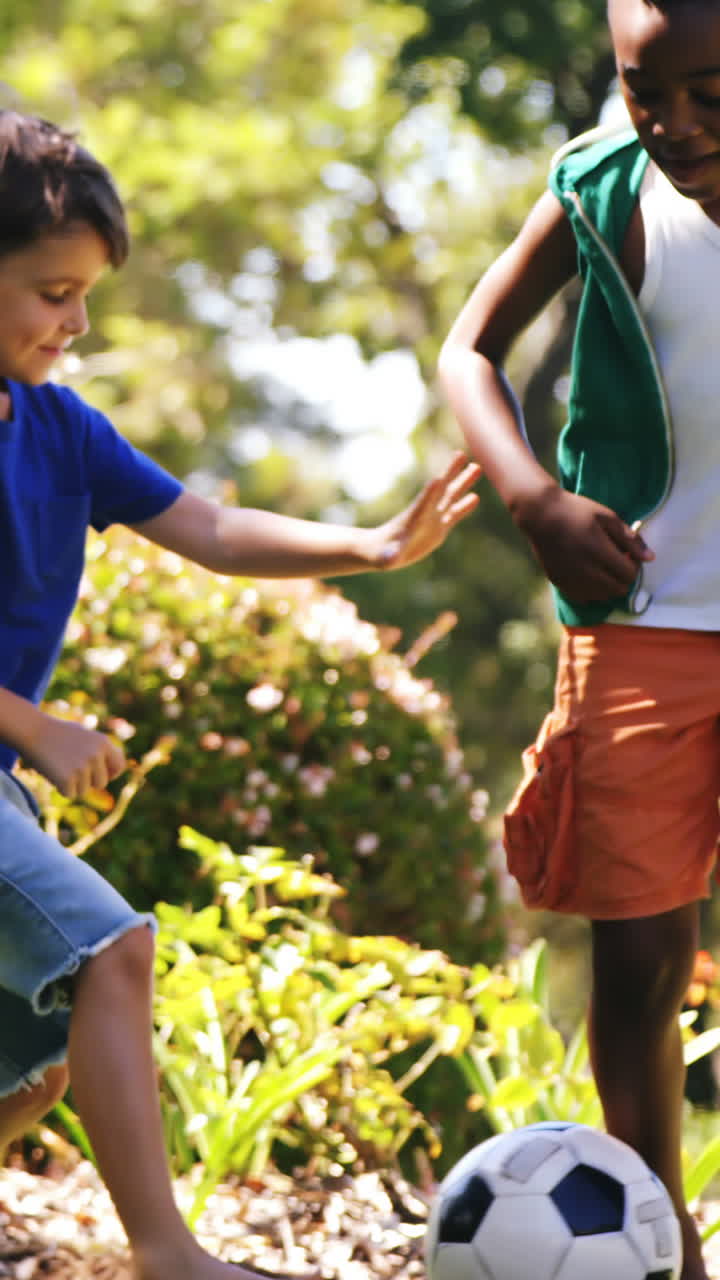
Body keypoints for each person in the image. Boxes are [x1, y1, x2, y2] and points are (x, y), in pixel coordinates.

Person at [0, 109, 481, 1280]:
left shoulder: (60, 431)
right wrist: (33, 722)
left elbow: (208, 524)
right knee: (111, 949)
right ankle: (169, 1254)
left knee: (42, 1063)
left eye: (86, 295)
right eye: (52, 291)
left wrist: (366, 544)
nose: (76, 320)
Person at [437, 1, 720, 1277]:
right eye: (642, 89)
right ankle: (662, 1247)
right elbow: (471, 347)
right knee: (642, 951)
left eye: (707, 90)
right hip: (650, 616)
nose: (673, 124)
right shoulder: (607, 187)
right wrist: (534, 499)